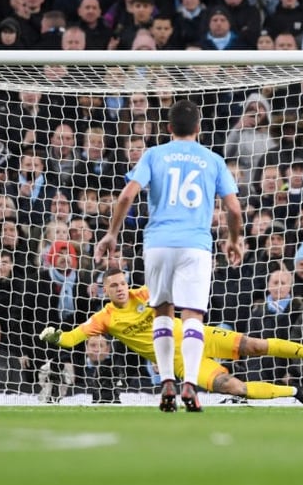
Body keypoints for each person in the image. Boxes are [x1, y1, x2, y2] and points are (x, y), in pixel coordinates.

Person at [94, 100, 243, 413]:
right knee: (193, 316)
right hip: (195, 245)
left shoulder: (154, 154)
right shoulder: (213, 160)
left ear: (168, 128)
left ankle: (166, 382)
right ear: (199, 128)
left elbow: (126, 196)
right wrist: (233, 239)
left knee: (162, 312)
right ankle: (189, 381)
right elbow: (233, 208)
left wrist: (111, 234)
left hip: (159, 242)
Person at [39, 269, 303, 405]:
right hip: (183, 365)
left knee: (255, 345)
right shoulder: (104, 319)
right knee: (234, 387)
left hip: (198, 336)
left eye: (122, 283)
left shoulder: (145, 293)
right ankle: (296, 392)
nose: (120, 288)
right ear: (104, 291)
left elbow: (174, 286)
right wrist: (54, 336)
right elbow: (70, 340)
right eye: (114, 286)